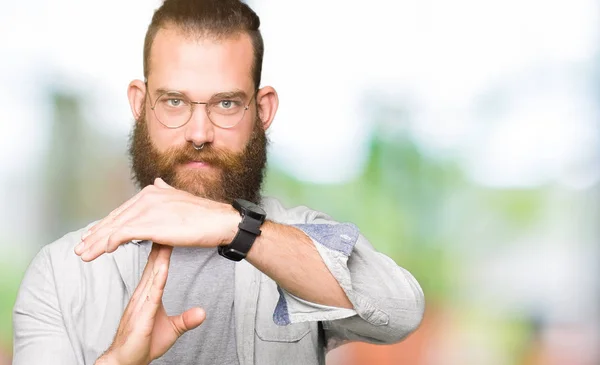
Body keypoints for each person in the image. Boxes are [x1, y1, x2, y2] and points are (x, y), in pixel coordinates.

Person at [12, 0, 425, 364]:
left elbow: (401, 312)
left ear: (262, 111)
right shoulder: (62, 271)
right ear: (140, 105)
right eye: (174, 102)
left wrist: (236, 228)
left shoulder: (302, 240)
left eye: (226, 104)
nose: (198, 133)